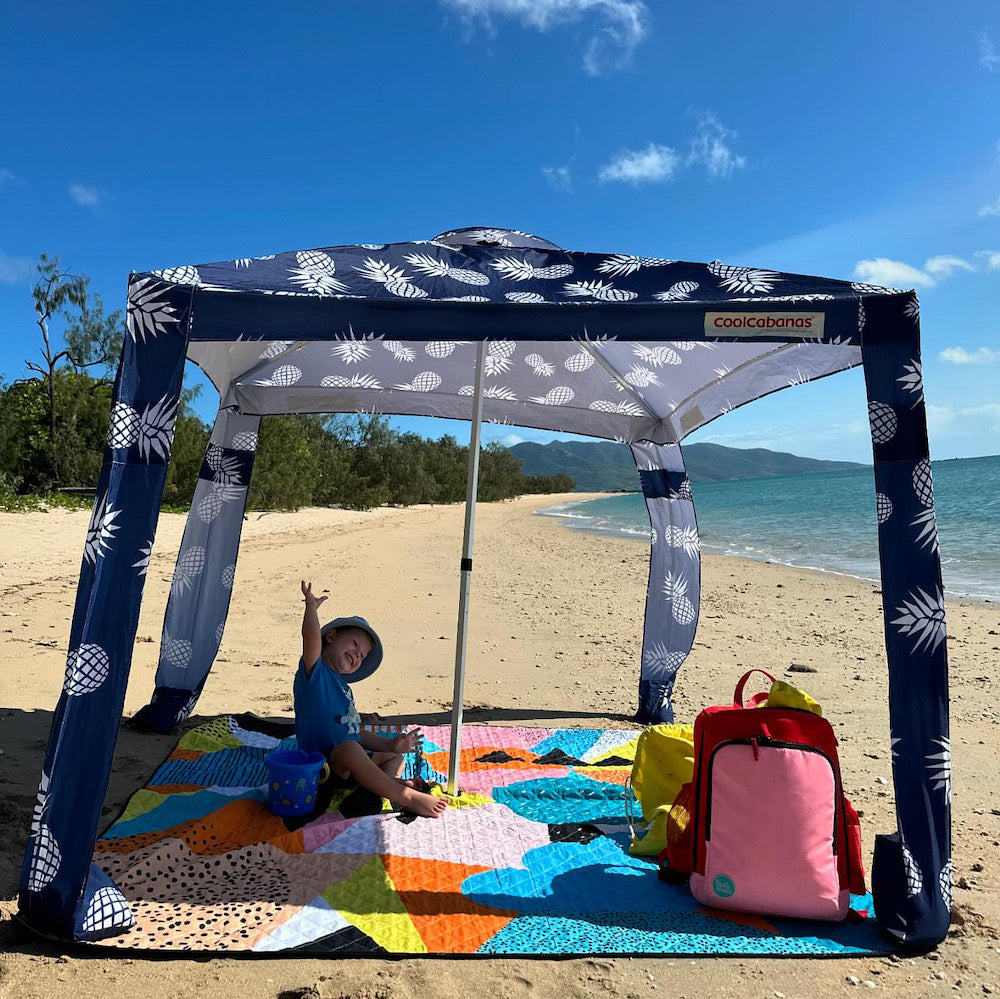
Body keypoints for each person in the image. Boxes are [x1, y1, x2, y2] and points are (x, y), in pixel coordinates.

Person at [294, 580, 447, 819]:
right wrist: (311, 608)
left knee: (393, 757)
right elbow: (311, 638)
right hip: (321, 769)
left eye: (362, 655)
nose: (357, 654)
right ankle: (406, 796)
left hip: (348, 768)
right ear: (331, 636)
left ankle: (386, 783)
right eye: (354, 644)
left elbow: (354, 731)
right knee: (349, 750)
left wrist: (390, 745)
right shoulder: (315, 673)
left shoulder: (343, 688)